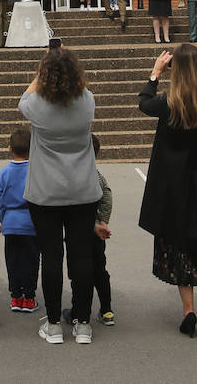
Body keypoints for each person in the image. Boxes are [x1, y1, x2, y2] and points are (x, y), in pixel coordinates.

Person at [138, 43, 197, 338]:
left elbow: (143, 102)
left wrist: (155, 73)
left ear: (174, 70)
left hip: (175, 188)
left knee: (179, 248)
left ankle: (189, 310)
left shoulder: (169, 103)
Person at [19, 46, 101, 345]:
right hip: (82, 188)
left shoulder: (37, 105)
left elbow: (23, 99)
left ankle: (53, 323)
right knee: (82, 256)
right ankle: (82, 322)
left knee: (51, 256)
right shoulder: (87, 101)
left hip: (46, 191)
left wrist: (41, 74)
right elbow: (83, 90)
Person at [0, 127, 39, 313]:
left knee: (12, 261)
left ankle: (16, 296)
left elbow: (1, 199)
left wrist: (2, 219)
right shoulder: (35, 171)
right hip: (30, 223)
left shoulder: (5, 172)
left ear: (9, 148)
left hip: (11, 223)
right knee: (31, 261)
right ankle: (29, 297)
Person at [89, 134, 114, 327]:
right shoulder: (98, 176)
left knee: (81, 271)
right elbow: (107, 196)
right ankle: (106, 310)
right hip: (98, 232)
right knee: (100, 270)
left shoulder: (81, 175)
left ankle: (79, 310)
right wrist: (104, 221)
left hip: (82, 230)